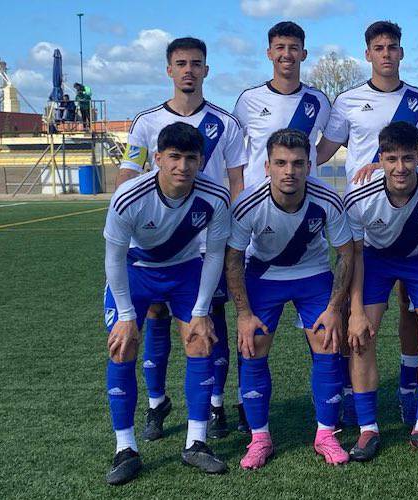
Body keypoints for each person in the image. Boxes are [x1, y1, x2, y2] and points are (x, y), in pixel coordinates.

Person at [118, 37, 246, 442]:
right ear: (168, 69)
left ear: (206, 70)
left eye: (196, 63)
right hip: (156, 243)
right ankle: (157, 404)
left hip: (206, 240)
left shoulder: (225, 123)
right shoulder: (146, 123)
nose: (189, 69)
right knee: (154, 316)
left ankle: (216, 403)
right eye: (181, 63)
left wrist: (226, 233)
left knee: (210, 321)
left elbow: (238, 184)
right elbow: (127, 178)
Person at [316, 20, 418, 427]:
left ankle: (407, 382)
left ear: (401, 52)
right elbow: (323, 153)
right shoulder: (349, 101)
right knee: (360, 315)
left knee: (409, 305)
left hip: (409, 219)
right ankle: (355, 395)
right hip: (362, 223)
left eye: (393, 47)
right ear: (367, 54)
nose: (386, 53)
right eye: (379, 48)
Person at [102, 122, 230, 485]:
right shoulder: (129, 196)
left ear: (201, 161)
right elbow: (113, 259)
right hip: (135, 270)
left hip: (184, 271)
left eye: (191, 158)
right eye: (173, 157)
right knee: (122, 345)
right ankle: (125, 448)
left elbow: (215, 255)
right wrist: (126, 316)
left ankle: (197, 442)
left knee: (200, 340)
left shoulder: (216, 197)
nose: (182, 166)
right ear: (157, 158)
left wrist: (202, 311)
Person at [225, 129, 354, 469]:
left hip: (312, 276)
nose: (289, 171)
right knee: (252, 347)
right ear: (267, 166)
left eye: (298, 163)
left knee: (328, 343)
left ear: (310, 166)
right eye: (281, 163)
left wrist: (333, 309)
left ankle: (326, 434)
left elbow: (346, 255)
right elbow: (234, 258)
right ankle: (259, 438)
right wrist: (243, 314)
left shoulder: (328, 198)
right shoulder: (248, 204)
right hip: (264, 277)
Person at [344, 121, 418, 460]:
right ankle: (368, 429)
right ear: (380, 158)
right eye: (392, 159)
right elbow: (353, 255)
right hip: (374, 260)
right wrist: (354, 312)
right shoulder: (358, 194)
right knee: (361, 335)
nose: (400, 168)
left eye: (408, 158)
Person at [233, 21, 331, 189]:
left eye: (293, 47)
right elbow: (232, 150)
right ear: (269, 53)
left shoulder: (318, 101)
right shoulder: (249, 99)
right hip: (257, 199)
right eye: (280, 47)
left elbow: (329, 146)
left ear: (304, 54)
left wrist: (304, 163)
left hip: (304, 198)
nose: (286, 54)